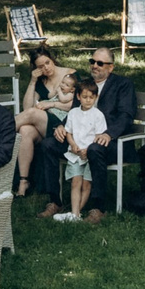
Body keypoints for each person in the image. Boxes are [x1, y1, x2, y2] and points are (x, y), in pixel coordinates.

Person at [32, 48, 137, 210]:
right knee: (48, 145)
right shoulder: (85, 85)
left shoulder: (123, 85)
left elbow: (126, 116)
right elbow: (74, 112)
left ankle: (97, 207)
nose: (95, 66)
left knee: (95, 149)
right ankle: (54, 201)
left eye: (100, 63)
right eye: (92, 61)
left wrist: (109, 134)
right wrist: (62, 126)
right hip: (80, 139)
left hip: (112, 142)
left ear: (111, 67)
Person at [12, 48, 73, 197]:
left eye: (47, 63)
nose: (46, 68)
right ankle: (23, 181)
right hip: (45, 123)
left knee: (33, 113)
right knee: (25, 130)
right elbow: (26, 107)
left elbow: (78, 104)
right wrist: (33, 81)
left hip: (65, 123)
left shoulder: (70, 75)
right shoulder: (41, 80)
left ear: (52, 59)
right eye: (40, 66)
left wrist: (51, 104)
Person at [52, 76, 108, 222]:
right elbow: (68, 132)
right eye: (84, 97)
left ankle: (76, 213)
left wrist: (88, 149)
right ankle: (75, 213)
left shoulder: (98, 115)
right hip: (75, 153)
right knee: (76, 182)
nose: (88, 100)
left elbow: (98, 136)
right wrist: (73, 145)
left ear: (96, 97)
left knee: (86, 183)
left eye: (91, 97)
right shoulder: (73, 113)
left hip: (89, 154)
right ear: (78, 97)